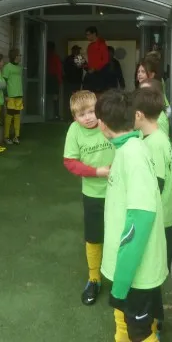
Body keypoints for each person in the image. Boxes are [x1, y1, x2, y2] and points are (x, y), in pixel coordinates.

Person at [95, 90, 168, 342]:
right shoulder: (130, 147)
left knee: (140, 332)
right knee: (124, 322)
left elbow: (140, 220)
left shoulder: (133, 154)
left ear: (102, 125)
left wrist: (122, 281)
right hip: (128, 270)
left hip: (137, 272)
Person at [63, 90, 115, 306]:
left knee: (119, 235)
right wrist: (97, 172)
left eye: (92, 112)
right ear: (75, 117)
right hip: (93, 193)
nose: (88, 117)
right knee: (94, 237)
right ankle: (94, 278)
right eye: (81, 114)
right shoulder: (74, 131)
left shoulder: (109, 122)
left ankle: (119, 278)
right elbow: (70, 162)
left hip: (118, 192)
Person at [133, 86, 172, 331]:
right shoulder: (153, 137)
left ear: (139, 115)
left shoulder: (155, 144)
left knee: (150, 277)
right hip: (160, 219)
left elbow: (155, 186)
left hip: (160, 221)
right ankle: (155, 322)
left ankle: (152, 326)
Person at [2, 48, 24, 144]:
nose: (20, 57)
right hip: (10, 95)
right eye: (19, 55)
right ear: (15, 56)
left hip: (19, 95)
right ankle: (6, 136)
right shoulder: (7, 67)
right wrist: (5, 95)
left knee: (17, 116)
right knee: (9, 116)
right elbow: (4, 82)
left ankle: (16, 136)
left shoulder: (20, 67)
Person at [83, 26, 111, 94]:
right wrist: (83, 65)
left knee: (98, 94)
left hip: (100, 74)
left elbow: (105, 60)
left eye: (88, 34)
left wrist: (95, 68)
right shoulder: (90, 46)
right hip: (91, 73)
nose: (87, 37)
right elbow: (90, 61)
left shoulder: (102, 45)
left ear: (94, 34)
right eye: (86, 35)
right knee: (87, 93)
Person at [63, 45, 85, 117]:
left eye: (78, 50)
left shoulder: (75, 58)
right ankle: (69, 116)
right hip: (70, 82)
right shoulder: (71, 59)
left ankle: (71, 116)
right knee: (71, 99)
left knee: (74, 99)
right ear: (73, 51)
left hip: (75, 82)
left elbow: (85, 66)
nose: (78, 51)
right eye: (77, 50)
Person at [46, 41, 63, 120]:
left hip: (47, 78)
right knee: (55, 98)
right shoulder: (55, 57)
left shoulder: (44, 56)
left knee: (48, 97)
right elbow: (58, 69)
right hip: (53, 78)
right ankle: (55, 115)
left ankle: (49, 115)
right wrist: (59, 80)